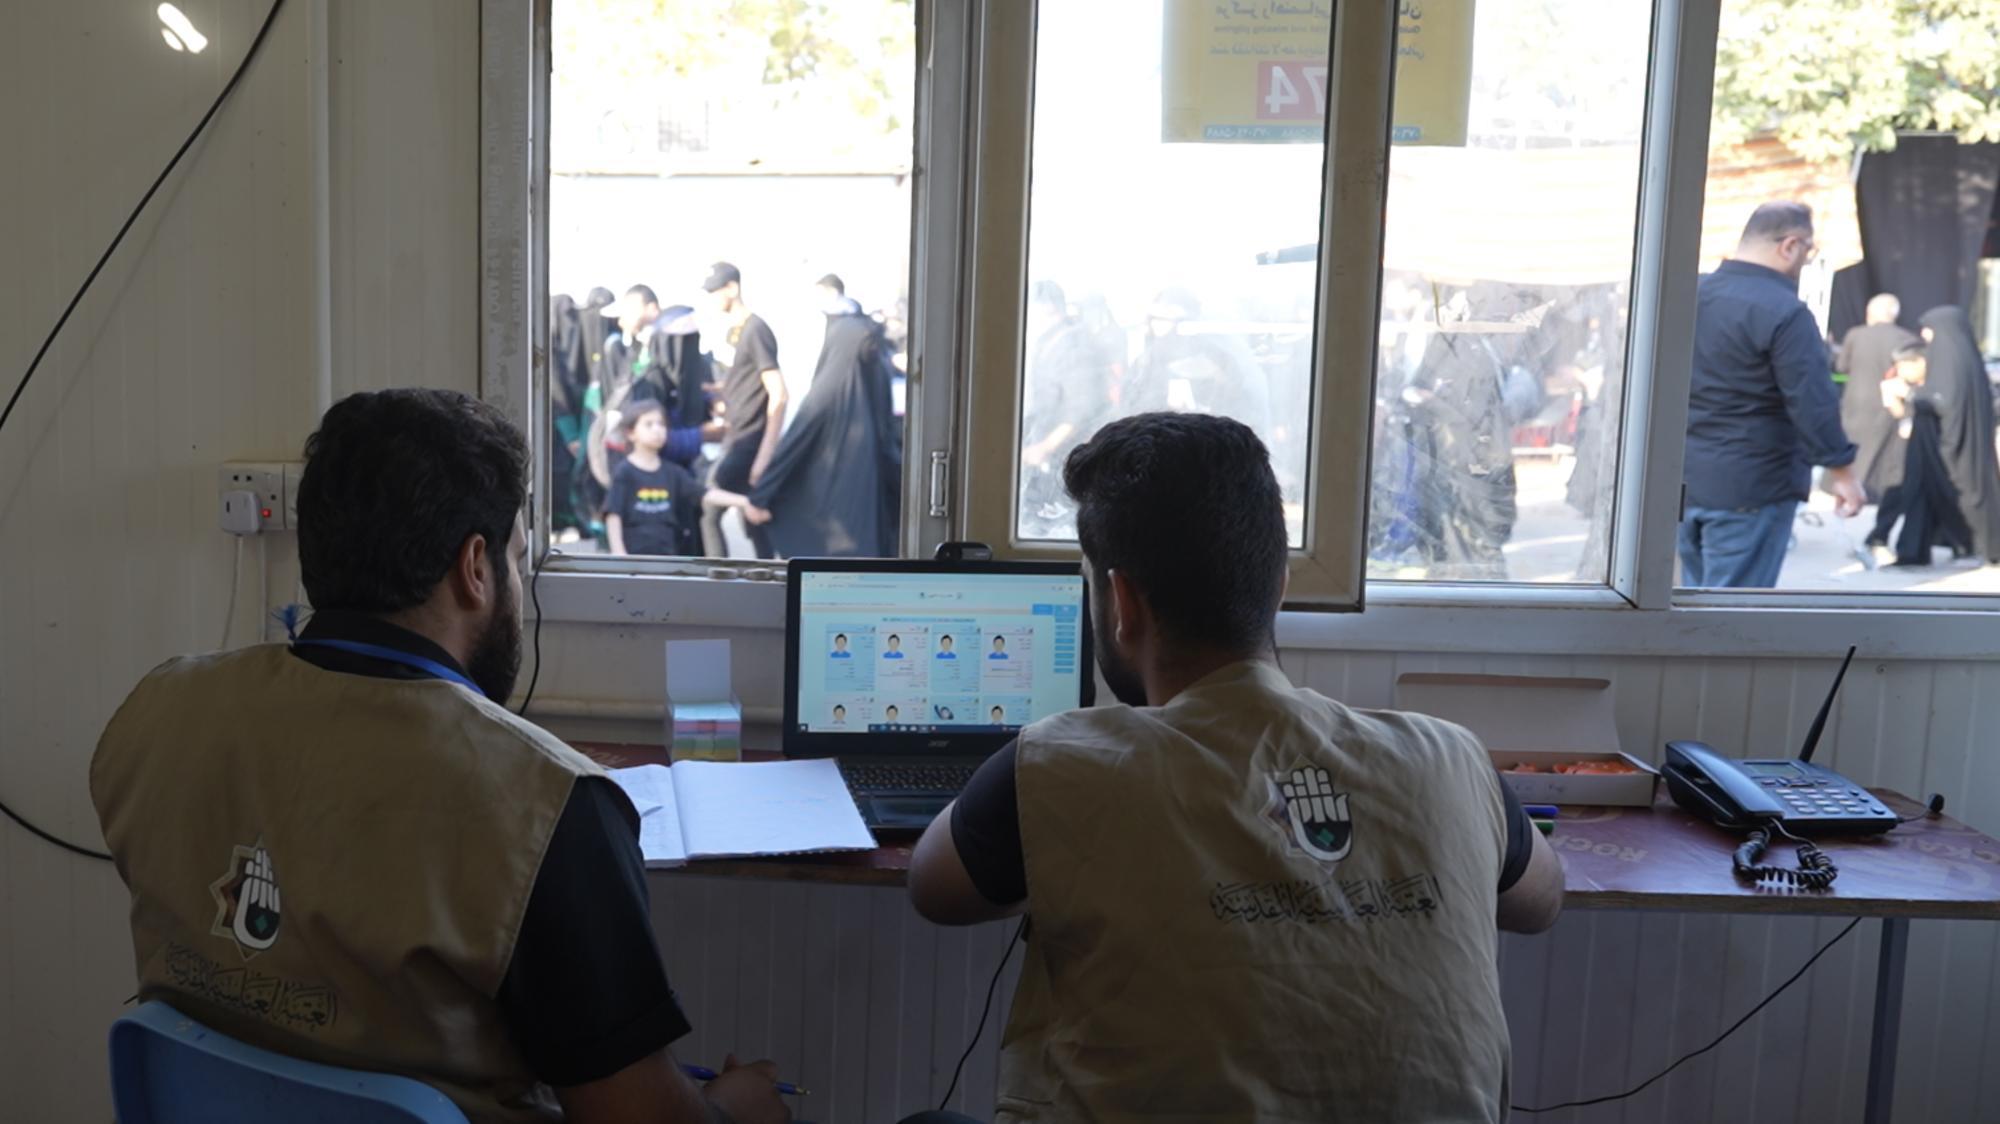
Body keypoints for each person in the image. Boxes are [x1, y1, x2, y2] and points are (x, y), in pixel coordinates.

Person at [90, 389, 791, 1124]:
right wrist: (731, 1108)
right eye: (517, 559)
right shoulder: (551, 807)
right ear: (475, 567)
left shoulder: (157, 713)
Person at [906, 412, 1562, 1122]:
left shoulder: (1057, 762)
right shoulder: (1450, 757)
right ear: (1277, 586)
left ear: (1122, 603)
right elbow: (1541, 901)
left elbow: (935, 889)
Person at [1681, 203, 1865, 587]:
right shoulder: (1786, 312)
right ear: (1790, 245)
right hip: (1752, 484)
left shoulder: (1690, 295)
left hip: (1683, 479)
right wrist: (1842, 471)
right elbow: (1812, 401)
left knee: (1690, 606)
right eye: (1809, 251)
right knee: (1732, 612)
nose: (1807, 260)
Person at [744, 294, 902, 558]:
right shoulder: (864, 374)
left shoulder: (838, 383)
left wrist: (761, 494)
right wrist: (762, 493)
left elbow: (799, 434)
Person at [701, 262, 786, 559]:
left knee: (710, 505)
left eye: (715, 291)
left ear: (732, 288)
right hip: (737, 435)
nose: (712, 299)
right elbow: (746, 381)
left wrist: (763, 457)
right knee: (751, 517)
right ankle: (768, 574)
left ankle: (716, 576)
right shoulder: (736, 332)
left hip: (749, 442)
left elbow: (779, 394)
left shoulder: (755, 330)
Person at [606, 401, 761, 557]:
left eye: (661, 424)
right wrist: (619, 551)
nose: (657, 430)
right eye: (649, 424)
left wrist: (745, 501)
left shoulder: (672, 472)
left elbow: (705, 494)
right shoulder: (624, 472)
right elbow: (613, 513)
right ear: (631, 433)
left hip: (666, 556)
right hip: (634, 558)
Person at [1871, 341, 1973, 565]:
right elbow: (1903, 416)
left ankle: (1964, 545)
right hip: (1917, 450)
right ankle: (1907, 549)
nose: (1901, 372)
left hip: (1942, 452)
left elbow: (1941, 406)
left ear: (1920, 362)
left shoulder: (1941, 380)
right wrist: (1894, 399)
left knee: (1946, 498)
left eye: (1904, 366)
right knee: (1913, 495)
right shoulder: (1911, 385)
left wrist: (1910, 394)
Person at [1020, 282, 1115, 521]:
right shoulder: (1048, 342)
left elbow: (1080, 409)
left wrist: (1044, 447)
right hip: (1048, 452)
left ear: (1049, 309)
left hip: (1063, 454)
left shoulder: (1075, 347)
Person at [1916, 305, 2000, 562]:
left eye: (1929, 329)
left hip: (1955, 443)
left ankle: (1981, 546)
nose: (1925, 335)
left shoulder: (1949, 361)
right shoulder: (1965, 359)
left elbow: (1944, 401)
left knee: (1964, 492)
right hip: (1970, 443)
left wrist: (1912, 397)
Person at [1838, 293, 1919, 510]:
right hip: (1888, 403)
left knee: (1851, 450)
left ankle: (1847, 490)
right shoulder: (1905, 338)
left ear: (1869, 313)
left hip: (1856, 401)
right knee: (1882, 454)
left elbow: (1841, 366)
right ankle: (1875, 494)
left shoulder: (1855, 335)